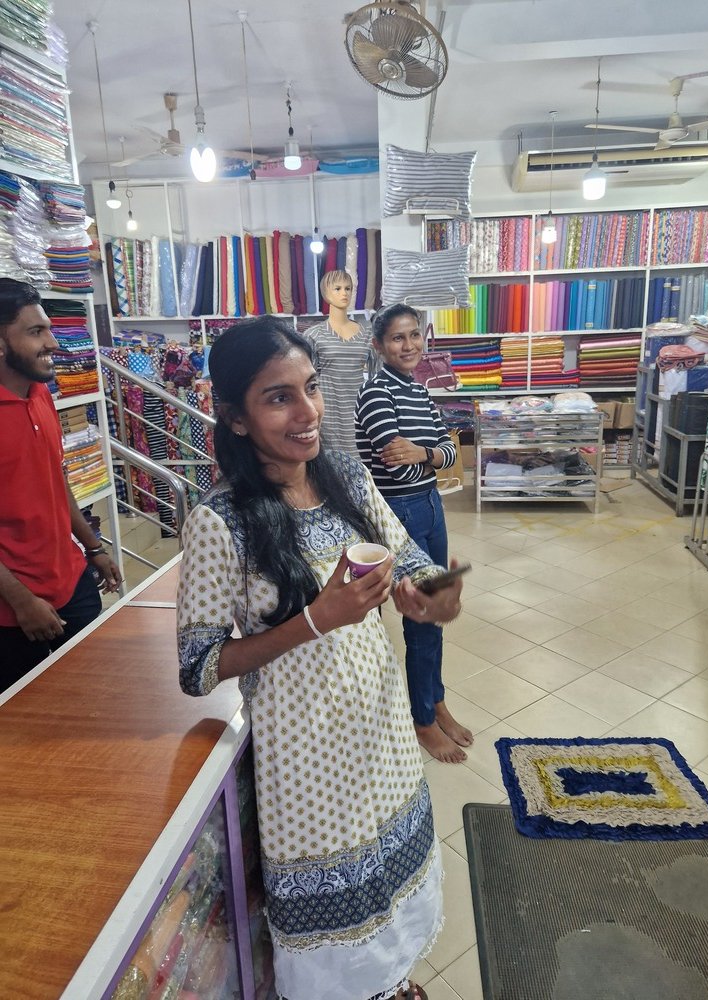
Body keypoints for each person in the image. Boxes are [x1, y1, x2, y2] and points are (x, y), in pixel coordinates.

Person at [176, 317, 464, 1000]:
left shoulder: (348, 479)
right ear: (236, 417)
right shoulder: (218, 521)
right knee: (339, 922)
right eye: (278, 398)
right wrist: (314, 619)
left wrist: (431, 597)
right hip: (308, 761)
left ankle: (392, 981)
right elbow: (198, 668)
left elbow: (413, 565)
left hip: (382, 731)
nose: (307, 412)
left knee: (395, 877)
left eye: (310, 388)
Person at [354, 304, 473, 765]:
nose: (409, 346)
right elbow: (397, 468)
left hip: (430, 506)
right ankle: (422, 719)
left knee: (435, 610)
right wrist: (433, 455)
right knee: (421, 615)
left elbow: (449, 452)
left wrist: (424, 453)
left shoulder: (419, 392)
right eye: (397, 338)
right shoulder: (375, 392)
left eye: (414, 335)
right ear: (379, 345)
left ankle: (436, 701)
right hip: (398, 511)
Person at [0, 278, 121, 692]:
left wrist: (93, 547)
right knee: (30, 714)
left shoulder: (40, 394)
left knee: (96, 690)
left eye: (49, 329)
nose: (53, 343)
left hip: (71, 580)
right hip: (14, 609)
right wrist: (20, 601)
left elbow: (56, 479)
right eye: (36, 331)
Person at [304, 268, 379, 456]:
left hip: (360, 407)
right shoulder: (313, 335)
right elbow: (306, 383)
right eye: (337, 288)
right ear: (326, 293)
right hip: (329, 410)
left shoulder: (367, 334)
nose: (344, 293)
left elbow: (376, 377)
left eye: (348, 288)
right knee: (331, 462)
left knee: (362, 459)